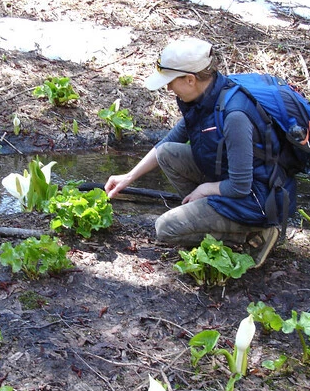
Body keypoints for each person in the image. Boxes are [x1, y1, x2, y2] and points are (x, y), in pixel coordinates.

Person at [104, 37, 297, 268]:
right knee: (168, 153)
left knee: (166, 228)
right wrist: (128, 177)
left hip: (258, 201)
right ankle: (211, 218)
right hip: (236, 185)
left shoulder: (235, 115)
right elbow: (169, 143)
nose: (167, 88)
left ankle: (255, 233)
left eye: (170, 81)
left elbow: (240, 186)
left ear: (190, 79)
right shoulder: (207, 99)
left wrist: (204, 189)